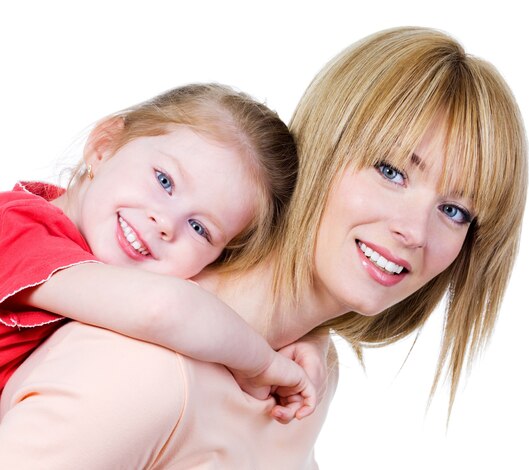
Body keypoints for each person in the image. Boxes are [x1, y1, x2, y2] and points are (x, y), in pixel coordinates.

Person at [0, 26, 528, 468]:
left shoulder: (312, 374)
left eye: (455, 211)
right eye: (390, 171)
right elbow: (164, 316)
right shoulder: (147, 371)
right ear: (323, 146)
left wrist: (305, 348)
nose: (416, 230)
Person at [0, 83, 318, 419]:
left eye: (200, 229)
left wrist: (308, 337)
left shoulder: (98, 266)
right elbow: (165, 308)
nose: (165, 222)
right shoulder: (15, 227)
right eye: (164, 180)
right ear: (104, 146)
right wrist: (262, 364)